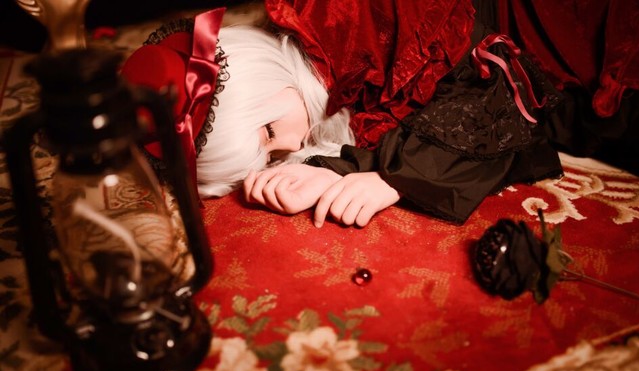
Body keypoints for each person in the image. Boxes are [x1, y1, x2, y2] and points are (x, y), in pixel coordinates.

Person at [121, 0, 572, 227]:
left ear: (261, 79)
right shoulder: (310, 75)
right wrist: (335, 170)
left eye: (269, 131)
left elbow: (501, 90)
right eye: (272, 154)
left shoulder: (352, 14)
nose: (292, 146)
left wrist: (395, 178)